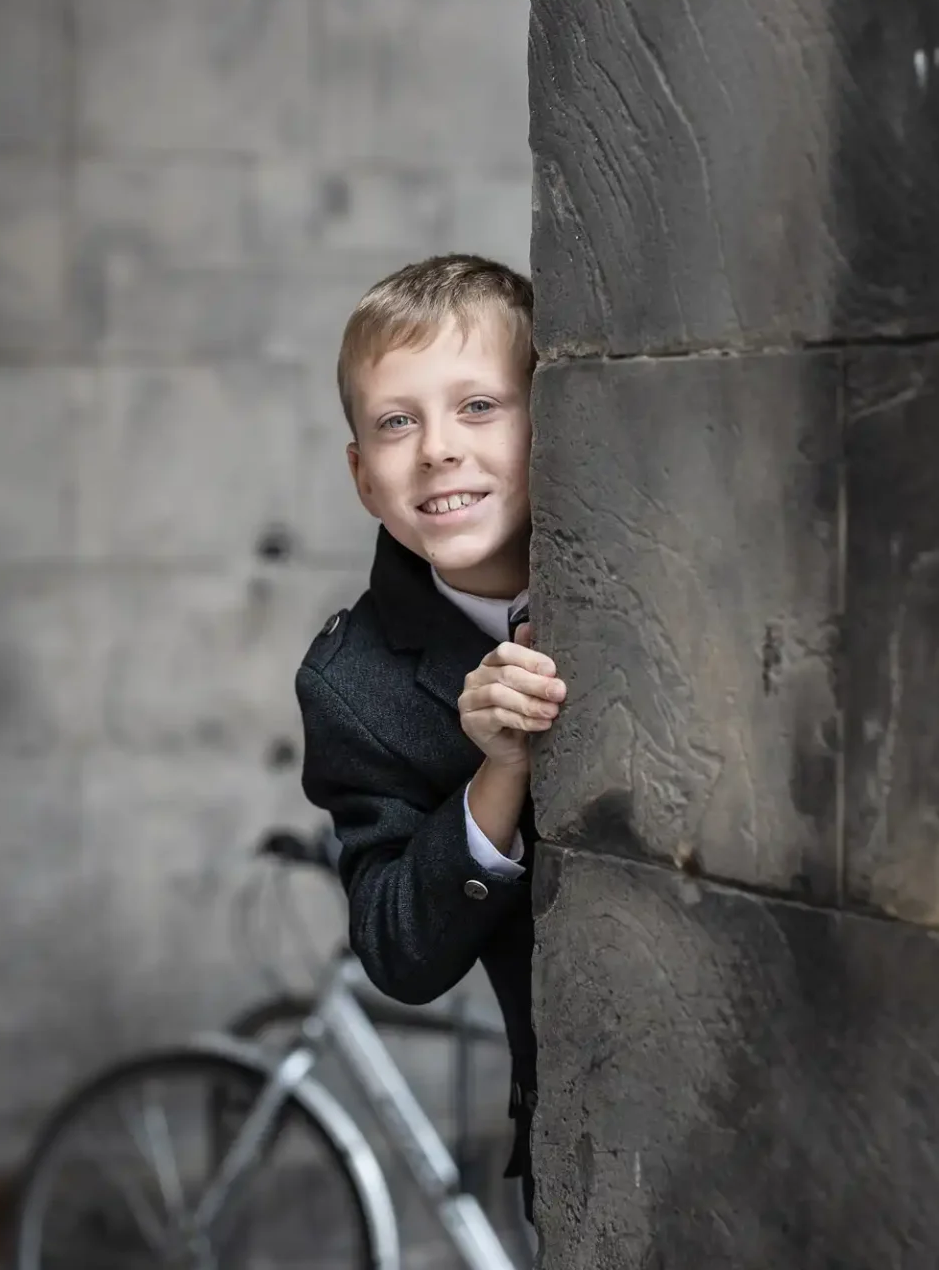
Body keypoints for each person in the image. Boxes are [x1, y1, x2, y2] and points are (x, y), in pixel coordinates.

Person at [295, 254, 562, 1222]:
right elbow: (398, 950)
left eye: (480, 406)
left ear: (555, 418)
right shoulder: (354, 680)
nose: (439, 449)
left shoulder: (657, 559)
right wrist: (499, 771)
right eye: (397, 422)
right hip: (589, 1124)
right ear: (365, 475)